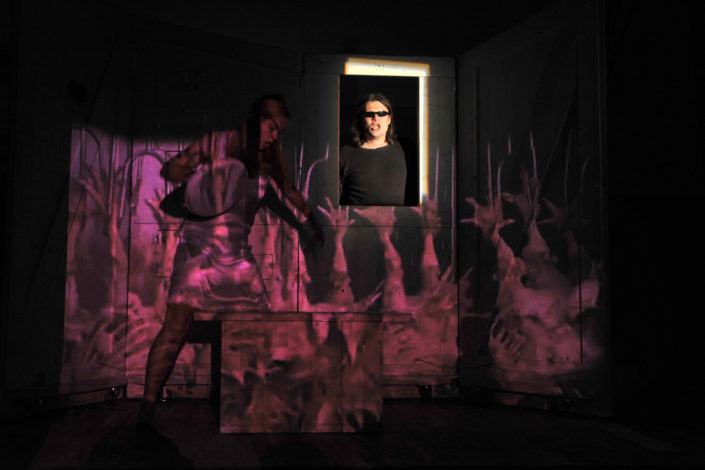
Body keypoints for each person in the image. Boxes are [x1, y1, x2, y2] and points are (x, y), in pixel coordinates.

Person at [138, 94, 322, 424]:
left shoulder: (268, 162)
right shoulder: (215, 143)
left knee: (262, 326)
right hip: (197, 252)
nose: (275, 136)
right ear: (255, 119)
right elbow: (172, 168)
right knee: (177, 326)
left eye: (280, 131)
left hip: (237, 256)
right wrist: (191, 176)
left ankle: (256, 405)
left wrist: (309, 221)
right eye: (272, 127)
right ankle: (148, 405)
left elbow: (287, 193)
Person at [339, 93, 407, 206]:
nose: (375, 118)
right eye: (369, 114)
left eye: (381, 113)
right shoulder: (345, 154)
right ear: (361, 120)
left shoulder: (407, 149)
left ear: (389, 119)